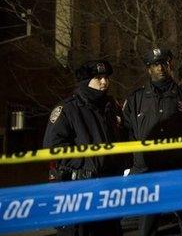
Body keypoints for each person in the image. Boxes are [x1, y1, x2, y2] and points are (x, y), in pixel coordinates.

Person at [123, 48, 182, 236]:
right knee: (147, 227)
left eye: (164, 63)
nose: (160, 68)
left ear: (171, 65)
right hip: (148, 173)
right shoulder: (135, 99)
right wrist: (133, 165)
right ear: (148, 69)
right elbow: (126, 134)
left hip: (180, 170)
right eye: (155, 64)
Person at [43, 60, 126, 236]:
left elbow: (124, 139)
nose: (104, 82)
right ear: (85, 82)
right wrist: (88, 165)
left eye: (106, 77)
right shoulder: (67, 109)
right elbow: (53, 147)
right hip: (78, 191)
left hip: (110, 190)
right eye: (98, 78)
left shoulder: (113, 108)